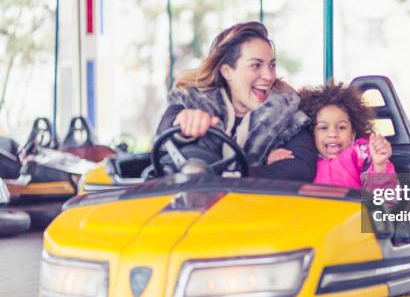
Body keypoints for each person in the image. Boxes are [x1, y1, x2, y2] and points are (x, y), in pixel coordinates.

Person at [156, 21, 317, 181]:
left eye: (272, 65)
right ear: (227, 72)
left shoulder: (286, 113)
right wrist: (183, 127)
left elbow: (302, 167)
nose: (269, 76)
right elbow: (165, 130)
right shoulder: (191, 101)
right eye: (256, 65)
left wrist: (227, 176)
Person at [268, 82, 397, 191]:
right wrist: (270, 162)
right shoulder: (305, 159)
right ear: (312, 134)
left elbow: (385, 201)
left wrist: (380, 165)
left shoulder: (362, 155)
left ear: (353, 133)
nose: (333, 134)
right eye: (323, 128)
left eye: (341, 127)